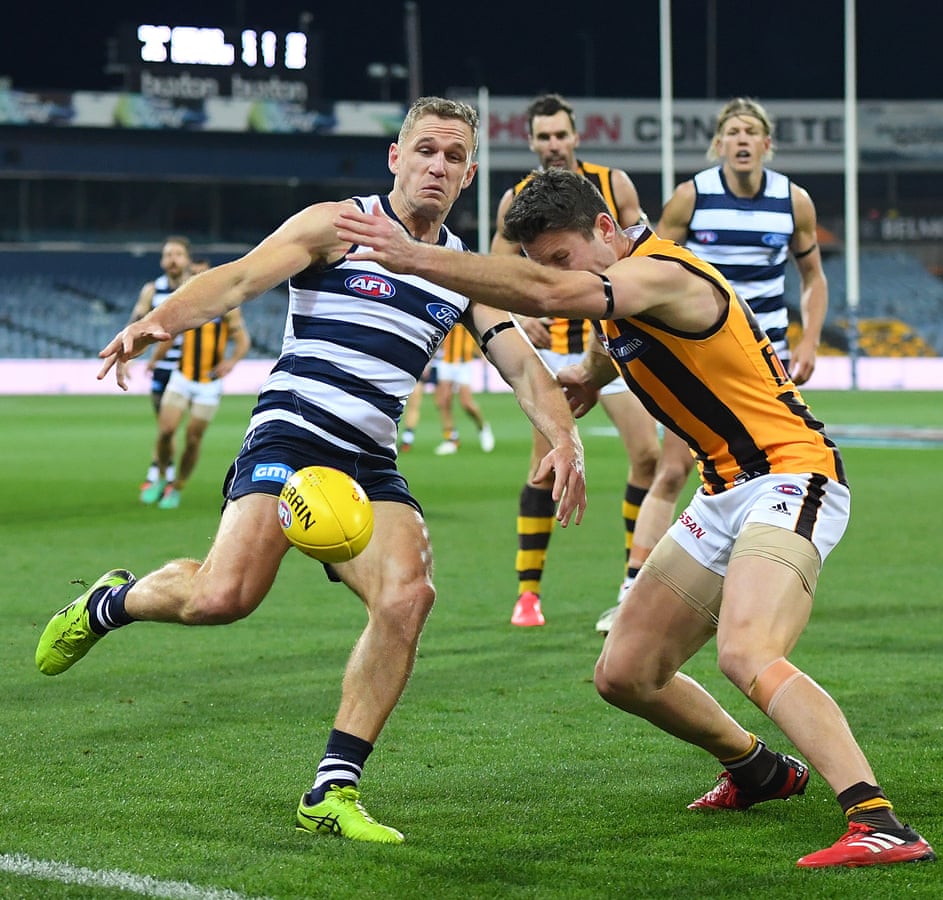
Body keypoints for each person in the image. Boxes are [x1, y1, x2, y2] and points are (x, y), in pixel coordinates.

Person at [332, 166, 934, 868]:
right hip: (725, 493)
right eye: (541, 261)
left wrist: (411, 254)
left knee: (747, 652)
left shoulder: (663, 272)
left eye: (561, 256)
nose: (554, 274)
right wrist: (592, 373)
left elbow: (570, 295)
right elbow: (607, 321)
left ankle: (878, 818)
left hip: (793, 475)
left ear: (608, 231)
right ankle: (758, 769)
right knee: (623, 671)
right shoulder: (623, 285)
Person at [35, 97, 587, 845]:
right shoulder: (338, 224)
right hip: (291, 435)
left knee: (408, 597)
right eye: (425, 149)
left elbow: (524, 369)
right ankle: (111, 602)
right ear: (396, 157)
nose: (438, 165)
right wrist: (159, 322)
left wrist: (566, 441)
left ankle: (332, 788)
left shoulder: (463, 273)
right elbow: (236, 280)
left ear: (469, 174)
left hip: (370, 459)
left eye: (454, 157)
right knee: (221, 597)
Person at [594, 97, 830, 634]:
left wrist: (810, 337)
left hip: (765, 359)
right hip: (696, 356)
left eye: (752, 132)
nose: (743, 140)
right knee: (675, 468)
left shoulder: (794, 201)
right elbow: (648, 262)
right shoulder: (691, 196)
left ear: (767, 144)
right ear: (719, 143)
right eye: (733, 131)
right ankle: (634, 590)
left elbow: (813, 276)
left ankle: (751, 580)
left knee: (774, 467)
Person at [492, 93, 660, 628]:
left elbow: (645, 249)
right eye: (543, 137)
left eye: (560, 134)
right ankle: (528, 595)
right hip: (548, 352)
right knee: (545, 470)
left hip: (610, 344)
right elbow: (493, 278)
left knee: (649, 458)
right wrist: (518, 320)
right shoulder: (515, 201)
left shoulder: (615, 185)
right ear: (532, 143)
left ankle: (632, 584)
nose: (553, 144)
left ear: (575, 136)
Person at [141, 304, 251, 508]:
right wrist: (154, 360)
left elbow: (243, 340)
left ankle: (177, 487)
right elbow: (171, 336)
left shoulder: (227, 309)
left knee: (192, 439)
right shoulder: (189, 304)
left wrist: (232, 362)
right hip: (182, 377)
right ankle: (162, 477)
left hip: (209, 385)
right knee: (166, 431)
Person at [128, 236, 192, 502]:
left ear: (187, 258)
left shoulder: (195, 288)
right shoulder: (153, 290)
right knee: (165, 429)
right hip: (161, 370)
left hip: (186, 370)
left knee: (169, 428)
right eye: (168, 254)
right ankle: (162, 471)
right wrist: (128, 351)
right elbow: (137, 319)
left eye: (178, 254)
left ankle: (159, 472)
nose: (173, 259)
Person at [431, 323, 495, 455]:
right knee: (444, 401)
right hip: (446, 361)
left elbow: (476, 331)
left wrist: (482, 353)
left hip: (464, 363)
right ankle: (451, 439)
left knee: (466, 403)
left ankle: (483, 427)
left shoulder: (466, 309)